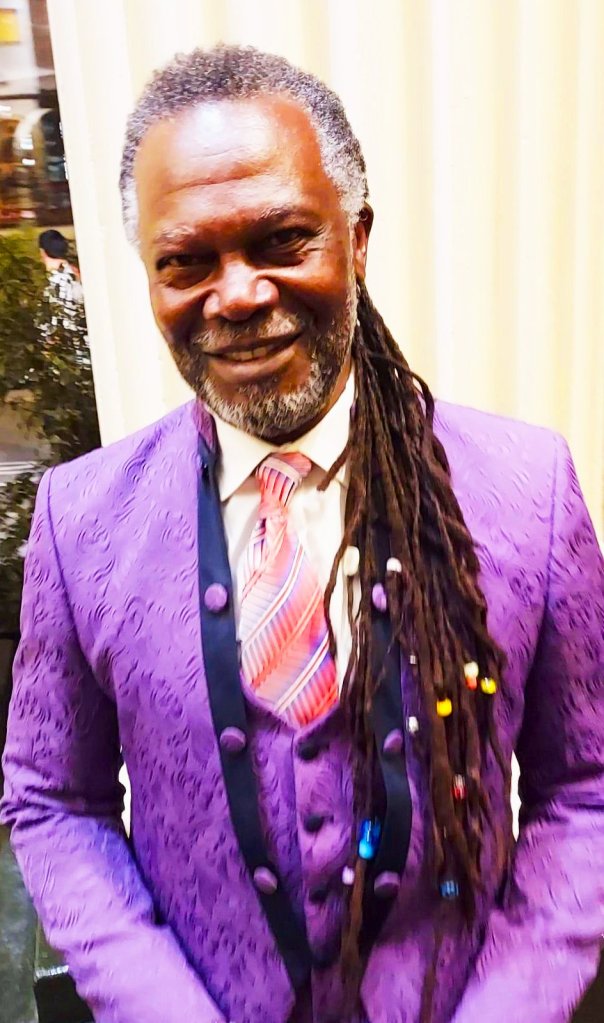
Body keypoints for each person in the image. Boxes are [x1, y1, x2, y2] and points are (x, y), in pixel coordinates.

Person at [2, 45, 603, 1023]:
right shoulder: (82, 524)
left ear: (356, 239)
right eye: (186, 260)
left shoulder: (528, 492)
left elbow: (585, 790)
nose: (237, 293)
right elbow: (51, 801)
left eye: (283, 239)